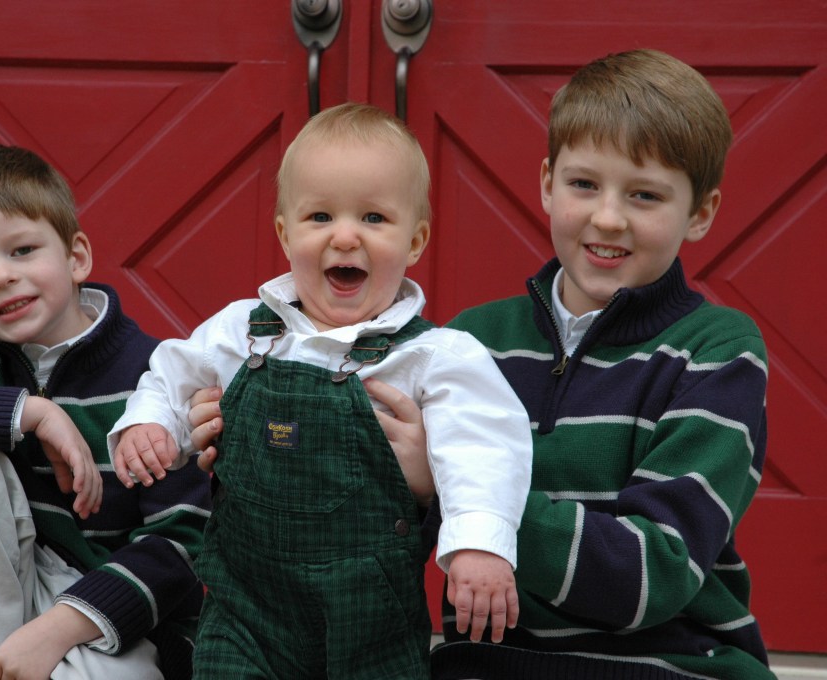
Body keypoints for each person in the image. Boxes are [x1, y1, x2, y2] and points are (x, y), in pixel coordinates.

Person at [190, 49, 775, 680]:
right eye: (584, 184)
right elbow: (370, 533)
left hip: (667, 663)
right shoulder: (468, 343)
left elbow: (650, 573)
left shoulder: (716, 352)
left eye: (645, 195)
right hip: (486, 661)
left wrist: (447, 484)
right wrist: (259, 437)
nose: (608, 217)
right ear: (548, 182)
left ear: (702, 213)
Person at [107, 102, 533, 679]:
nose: (346, 235)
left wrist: (479, 543)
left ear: (416, 240)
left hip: (371, 620)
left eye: (375, 218)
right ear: (284, 233)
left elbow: (484, 447)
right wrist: (151, 424)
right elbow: (172, 376)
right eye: (320, 217)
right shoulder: (241, 331)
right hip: (247, 608)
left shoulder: (435, 356)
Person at [0, 144, 211, 680]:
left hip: (105, 616)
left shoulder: (156, 376)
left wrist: (60, 626)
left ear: (76, 258)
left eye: (22, 251)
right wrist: (33, 412)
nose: (1, 276)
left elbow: (181, 542)